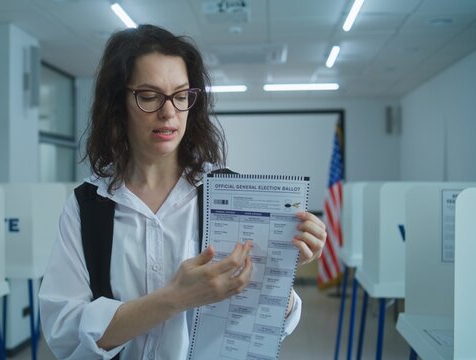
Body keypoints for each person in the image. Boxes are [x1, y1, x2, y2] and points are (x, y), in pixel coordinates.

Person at [39, 24, 327, 360]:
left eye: (180, 95)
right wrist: (174, 298)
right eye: (149, 96)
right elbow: (64, 330)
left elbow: (267, 323)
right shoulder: (86, 206)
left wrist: (278, 271)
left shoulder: (230, 194)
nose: (169, 112)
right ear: (118, 103)